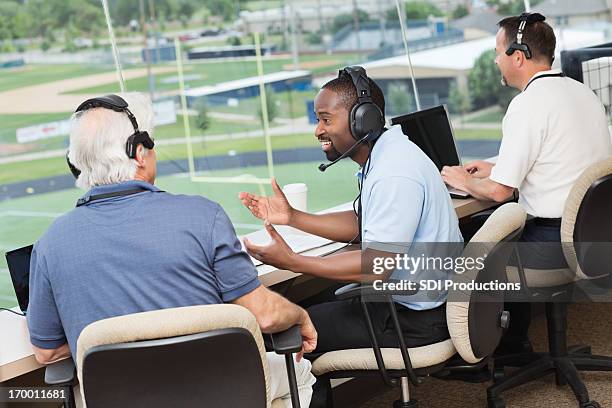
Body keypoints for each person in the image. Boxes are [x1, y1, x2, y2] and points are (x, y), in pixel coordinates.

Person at [26, 93, 316, 408]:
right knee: (301, 375)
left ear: (76, 164)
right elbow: (266, 315)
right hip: (218, 393)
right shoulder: (204, 216)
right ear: (139, 152)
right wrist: (299, 314)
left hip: (118, 400)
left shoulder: (49, 244)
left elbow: (48, 352)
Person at [239, 67, 463, 357]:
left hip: (414, 318)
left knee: (285, 332)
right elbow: (362, 223)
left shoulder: (394, 174)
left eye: (325, 119)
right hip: (415, 302)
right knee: (308, 305)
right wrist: (294, 217)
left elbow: (375, 267)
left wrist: (295, 262)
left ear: (362, 120)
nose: (318, 130)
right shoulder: (387, 154)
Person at [442, 13, 612, 352]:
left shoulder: (526, 105)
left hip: (555, 245)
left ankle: (505, 348)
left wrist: (461, 178)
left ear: (517, 56)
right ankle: (516, 342)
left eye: (497, 51)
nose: (495, 60)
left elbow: (500, 192)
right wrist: (495, 166)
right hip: (595, 235)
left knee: (473, 242)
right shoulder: (581, 93)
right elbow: (561, 155)